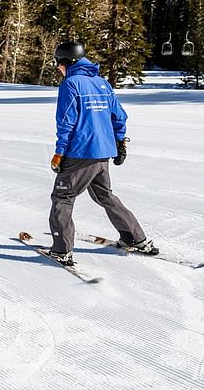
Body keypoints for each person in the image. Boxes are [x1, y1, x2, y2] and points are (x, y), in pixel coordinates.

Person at [47, 41, 156, 266]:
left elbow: (66, 121)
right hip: (102, 153)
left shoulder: (71, 84)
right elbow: (119, 116)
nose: (58, 68)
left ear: (67, 62)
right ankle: (135, 238)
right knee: (104, 195)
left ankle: (61, 250)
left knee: (63, 198)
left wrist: (59, 153)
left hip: (80, 153)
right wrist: (120, 143)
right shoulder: (102, 83)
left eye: (58, 63)